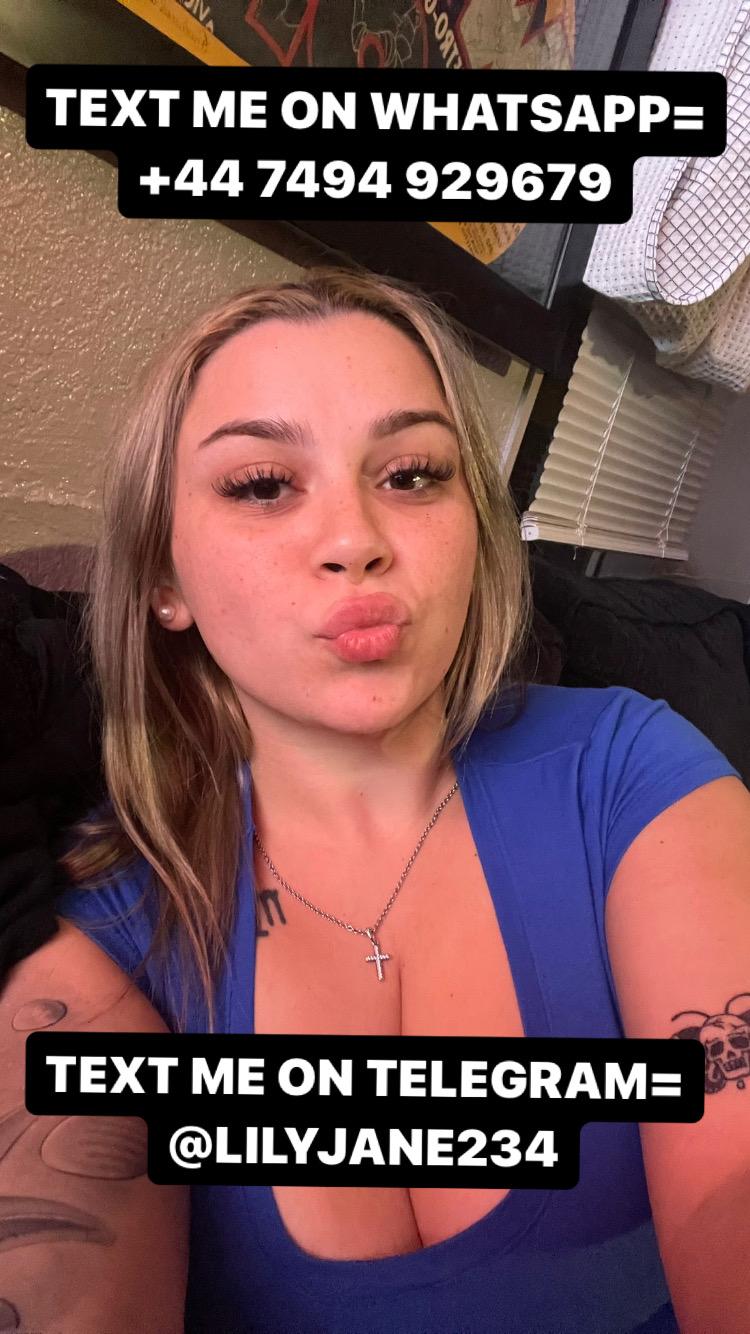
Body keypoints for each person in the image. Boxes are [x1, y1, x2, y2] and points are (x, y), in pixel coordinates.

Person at [2, 268, 748, 1334]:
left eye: (412, 473)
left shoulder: (631, 774)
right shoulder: (108, 927)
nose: (355, 538)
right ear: (163, 580)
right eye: (263, 484)